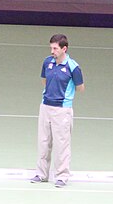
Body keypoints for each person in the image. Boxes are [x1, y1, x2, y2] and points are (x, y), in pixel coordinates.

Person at [30, 34, 84, 188]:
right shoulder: (47, 62)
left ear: (64, 49)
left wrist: (66, 93)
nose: (52, 51)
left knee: (62, 144)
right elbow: (44, 81)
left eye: (55, 48)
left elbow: (80, 87)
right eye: (51, 48)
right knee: (43, 141)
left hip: (62, 110)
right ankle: (42, 174)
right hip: (45, 106)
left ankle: (61, 176)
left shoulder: (73, 67)